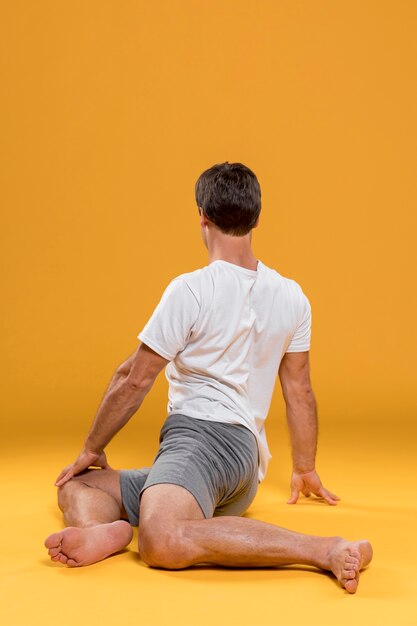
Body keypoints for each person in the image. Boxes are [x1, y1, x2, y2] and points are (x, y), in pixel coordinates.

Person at [44, 162, 372, 593]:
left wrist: (92, 446)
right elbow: (299, 388)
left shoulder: (192, 290)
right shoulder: (292, 296)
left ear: (202, 214)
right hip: (241, 468)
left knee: (161, 539)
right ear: (256, 217)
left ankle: (325, 550)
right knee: (80, 485)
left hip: (200, 440)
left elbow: (133, 378)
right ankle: (105, 532)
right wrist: (304, 466)